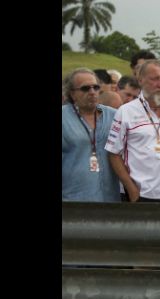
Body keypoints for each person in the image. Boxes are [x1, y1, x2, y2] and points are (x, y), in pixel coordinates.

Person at [106, 60, 160, 203]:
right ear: (141, 80)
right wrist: (131, 189)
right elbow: (113, 153)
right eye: (155, 79)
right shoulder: (126, 112)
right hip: (143, 195)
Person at [62, 68, 120, 202]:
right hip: (72, 201)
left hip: (110, 200)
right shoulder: (63, 118)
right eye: (85, 88)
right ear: (72, 94)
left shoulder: (114, 115)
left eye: (95, 87)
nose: (92, 92)